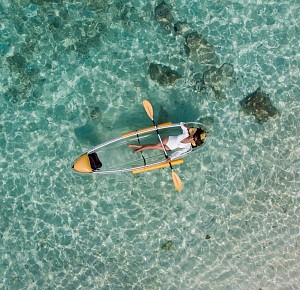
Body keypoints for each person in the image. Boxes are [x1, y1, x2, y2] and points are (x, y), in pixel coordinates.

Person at [128, 122, 206, 160]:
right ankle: (138, 149)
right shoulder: (186, 133)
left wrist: (171, 158)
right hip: (168, 139)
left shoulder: (187, 147)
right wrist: (188, 128)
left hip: (170, 148)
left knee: (153, 146)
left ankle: (136, 146)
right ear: (193, 135)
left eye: (194, 140)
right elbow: (182, 123)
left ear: (194, 142)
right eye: (193, 137)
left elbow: (178, 153)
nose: (191, 139)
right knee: (155, 146)